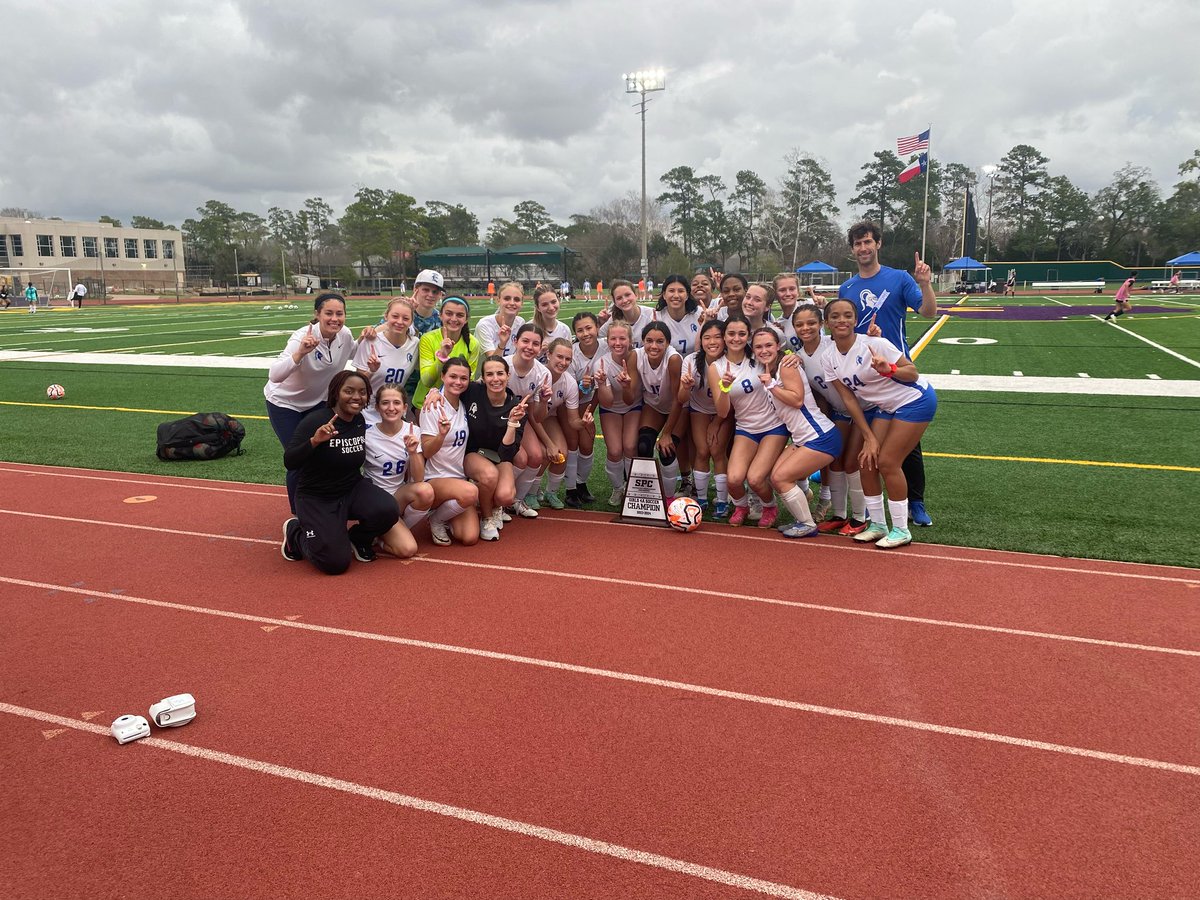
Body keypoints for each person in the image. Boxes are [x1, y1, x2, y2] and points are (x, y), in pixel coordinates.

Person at [839, 220, 937, 527]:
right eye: (858, 243)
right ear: (852, 249)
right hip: (865, 373)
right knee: (869, 442)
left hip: (896, 369)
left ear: (878, 244)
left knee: (907, 446)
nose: (863, 248)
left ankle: (915, 502)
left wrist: (925, 284)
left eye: (868, 241)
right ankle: (874, 506)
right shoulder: (847, 288)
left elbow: (928, 312)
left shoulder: (899, 278)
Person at [822, 297, 937, 549]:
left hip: (914, 400)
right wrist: (869, 437)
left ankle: (901, 529)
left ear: (855, 320)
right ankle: (878, 525)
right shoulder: (828, 357)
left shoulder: (875, 344)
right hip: (885, 406)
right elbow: (849, 399)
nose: (842, 320)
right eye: (835, 316)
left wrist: (890, 369)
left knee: (887, 462)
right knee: (866, 461)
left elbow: (912, 373)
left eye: (848, 315)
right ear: (827, 322)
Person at [280, 370, 400, 574]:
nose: (357, 397)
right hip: (317, 496)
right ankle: (295, 533)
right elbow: (290, 461)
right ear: (336, 393)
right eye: (349, 391)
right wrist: (314, 441)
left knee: (388, 509)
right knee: (334, 563)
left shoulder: (359, 420)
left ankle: (358, 539)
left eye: (362, 392)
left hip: (351, 488)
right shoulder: (316, 421)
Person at [265, 293, 369, 512]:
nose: (335, 319)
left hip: (317, 403)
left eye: (339, 314)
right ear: (317, 314)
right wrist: (300, 353)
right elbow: (274, 375)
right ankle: (298, 515)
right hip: (285, 404)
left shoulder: (345, 334)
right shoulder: (302, 337)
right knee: (300, 457)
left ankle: (323, 504)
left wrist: (368, 335)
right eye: (328, 313)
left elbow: (352, 350)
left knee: (324, 453)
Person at [787, 303, 870, 536]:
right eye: (800, 324)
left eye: (811, 323)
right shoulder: (798, 356)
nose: (806, 328)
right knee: (835, 461)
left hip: (864, 408)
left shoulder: (832, 345)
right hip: (840, 411)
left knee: (852, 462)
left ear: (821, 324)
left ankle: (860, 516)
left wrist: (873, 336)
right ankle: (839, 515)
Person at [754, 327, 842, 539]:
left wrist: (772, 386)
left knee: (781, 478)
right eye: (758, 347)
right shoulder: (772, 368)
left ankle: (807, 524)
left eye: (768, 345)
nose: (764, 350)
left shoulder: (785, 366)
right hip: (805, 438)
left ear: (778, 346)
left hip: (820, 436)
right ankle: (802, 518)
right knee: (774, 477)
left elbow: (797, 400)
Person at [708, 316, 788, 528]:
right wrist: (725, 387)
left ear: (748, 336)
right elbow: (722, 411)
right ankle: (741, 507)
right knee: (734, 479)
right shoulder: (716, 367)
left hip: (773, 425)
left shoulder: (758, 356)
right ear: (724, 336)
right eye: (731, 334)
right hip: (746, 428)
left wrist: (794, 357)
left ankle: (769, 506)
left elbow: (781, 353)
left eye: (742, 334)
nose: (736, 338)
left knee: (755, 479)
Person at [362, 383, 434, 558]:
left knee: (425, 491)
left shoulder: (413, 431)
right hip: (376, 500)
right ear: (377, 407)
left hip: (398, 495)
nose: (391, 408)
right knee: (407, 549)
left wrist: (413, 452)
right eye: (385, 403)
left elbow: (418, 478)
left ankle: (385, 533)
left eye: (396, 403)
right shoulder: (367, 435)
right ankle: (382, 531)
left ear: (405, 407)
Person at [462, 356, 529, 541]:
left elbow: (508, 453)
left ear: (508, 375)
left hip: (499, 455)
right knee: (489, 475)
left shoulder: (516, 407)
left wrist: (512, 422)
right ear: (483, 378)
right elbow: (451, 388)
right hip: (473, 452)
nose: (495, 379)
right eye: (489, 374)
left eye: (500, 373)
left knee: (506, 496)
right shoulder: (473, 391)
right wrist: (435, 392)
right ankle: (487, 517)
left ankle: (494, 504)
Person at [419, 358, 480, 546]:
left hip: (458, 478)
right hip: (435, 478)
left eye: (463, 378)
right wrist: (441, 435)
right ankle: (436, 519)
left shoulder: (465, 403)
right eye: (453, 376)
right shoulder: (433, 406)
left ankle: (444, 513)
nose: (458, 382)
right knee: (471, 492)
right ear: (442, 376)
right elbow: (426, 451)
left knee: (469, 537)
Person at [624, 321, 684, 498]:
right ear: (643, 341)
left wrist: (667, 433)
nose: (654, 346)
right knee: (643, 445)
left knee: (667, 451)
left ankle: (668, 498)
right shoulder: (635, 356)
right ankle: (647, 493)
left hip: (678, 407)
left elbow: (678, 399)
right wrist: (626, 387)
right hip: (654, 405)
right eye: (649, 341)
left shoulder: (673, 359)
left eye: (660, 341)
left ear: (668, 343)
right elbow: (629, 399)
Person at [679, 319, 732, 515]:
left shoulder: (730, 361)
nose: (712, 342)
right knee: (702, 451)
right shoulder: (691, 361)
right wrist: (686, 387)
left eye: (717, 337)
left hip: (725, 411)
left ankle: (722, 501)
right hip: (699, 409)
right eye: (707, 337)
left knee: (717, 451)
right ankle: (701, 499)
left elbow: (731, 402)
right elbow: (681, 398)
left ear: (724, 339)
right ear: (700, 341)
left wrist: (716, 423)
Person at [506, 323, 551, 516]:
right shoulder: (503, 365)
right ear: (515, 341)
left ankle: (516, 499)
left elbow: (539, 416)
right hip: (498, 419)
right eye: (525, 341)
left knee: (536, 456)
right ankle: (501, 499)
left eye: (535, 343)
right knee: (521, 457)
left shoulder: (543, 373)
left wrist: (544, 401)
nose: (529, 347)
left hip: (521, 419)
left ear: (540, 348)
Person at [594, 320, 640, 505]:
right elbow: (607, 402)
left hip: (634, 405)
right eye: (613, 338)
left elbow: (630, 399)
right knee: (614, 451)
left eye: (622, 338)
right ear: (607, 340)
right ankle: (617, 488)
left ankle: (632, 487)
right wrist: (601, 383)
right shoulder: (601, 363)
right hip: (611, 407)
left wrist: (627, 386)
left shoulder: (637, 358)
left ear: (630, 340)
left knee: (630, 446)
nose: (618, 343)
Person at [354, 297, 419, 423]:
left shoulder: (415, 344)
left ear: (411, 321)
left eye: (405, 318)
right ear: (386, 316)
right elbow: (357, 384)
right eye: (395, 316)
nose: (400, 322)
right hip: (367, 411)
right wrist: (371, 371)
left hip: (394, 410)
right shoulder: (370, 341)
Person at [537, 337, 583, 508]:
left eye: (567, 359)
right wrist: (549, 444)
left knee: (562, 453)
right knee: (541, 453)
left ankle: (551, 492)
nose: (563, 362)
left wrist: (584, 422)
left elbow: (573, 420)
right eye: (559, 357)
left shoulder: (569, 382)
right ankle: (530, 493)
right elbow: (533, 417)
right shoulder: (538, 374)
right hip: (529, 419)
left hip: (547, 417)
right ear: (548, 355)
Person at [565, 311, 605, 507]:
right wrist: (583, 388)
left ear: (597, 327)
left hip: (592, 402)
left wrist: (591, 409)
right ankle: (570, 489)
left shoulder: (606, 346)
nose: (585, 333)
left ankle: (581, 484)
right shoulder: (572, 354)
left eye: (589, 328)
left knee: (587, 444)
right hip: (571, 403)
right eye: (580, 330)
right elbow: (570, 394)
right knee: (573, 444)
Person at [414, 296, 480, 409]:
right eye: (449, 313)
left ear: (466, 319)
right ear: (440, 315)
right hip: (426, 403)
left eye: (460, 315)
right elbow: (426, 381)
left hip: (456, 404)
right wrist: (442, 356)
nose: (454, 319)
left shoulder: (473, 343)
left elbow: (468, 380)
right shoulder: (428, 339)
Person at [475, 280, 525, 368]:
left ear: (522, 303)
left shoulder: (520, 323)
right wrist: (502, 343)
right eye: (507, 298)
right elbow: (492, 365)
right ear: (498, 300)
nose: (512, 303)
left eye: (517, 300)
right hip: (490, 374)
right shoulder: (484, 325)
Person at [599, 279, 655, 348]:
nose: (624, 300)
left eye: (627, 295)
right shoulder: (614, 319)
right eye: (619, 298)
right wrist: (601, 323)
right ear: (615, 302)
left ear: (636, 295)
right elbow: (599, 336)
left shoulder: (651, 315)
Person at [532, 283, 572, 349]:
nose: (551, 308)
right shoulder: (529, 329)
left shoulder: (565, 330)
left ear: (558, 301)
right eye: (544, 304)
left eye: (553, 302)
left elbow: (568, 354)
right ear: (538, 308)